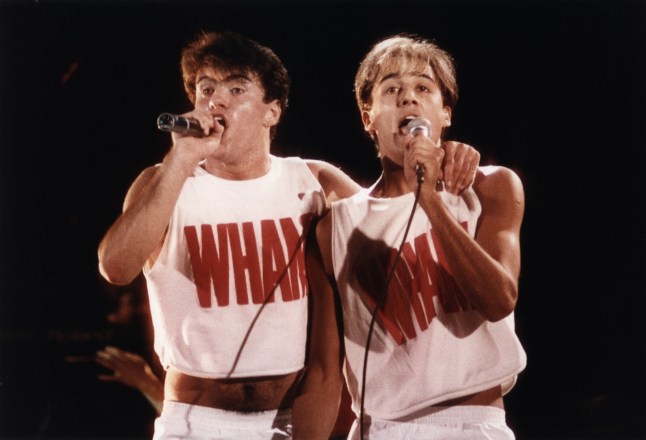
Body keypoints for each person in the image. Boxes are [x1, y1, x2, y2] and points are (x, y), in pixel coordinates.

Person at [98, 30, 480, 439]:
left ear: (272, 112)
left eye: (236, 88)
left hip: (287, 421)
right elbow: (116, 267)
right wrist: (180, 159)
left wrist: (448, 154)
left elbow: (402, 227)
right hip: (195, 419)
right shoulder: (164, 182)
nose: (215, 100)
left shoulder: (314, 181)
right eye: (205, 88)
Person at [306, 34, 527, 439]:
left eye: (422, 88)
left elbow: (499, 300)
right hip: (381, 427)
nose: (408, 99)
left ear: (444, 114)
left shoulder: (491, 188)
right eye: (391, 89)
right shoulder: (332, 227)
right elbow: (323, 370)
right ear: (367, 116)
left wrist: (429, 199)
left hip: (473, 424)